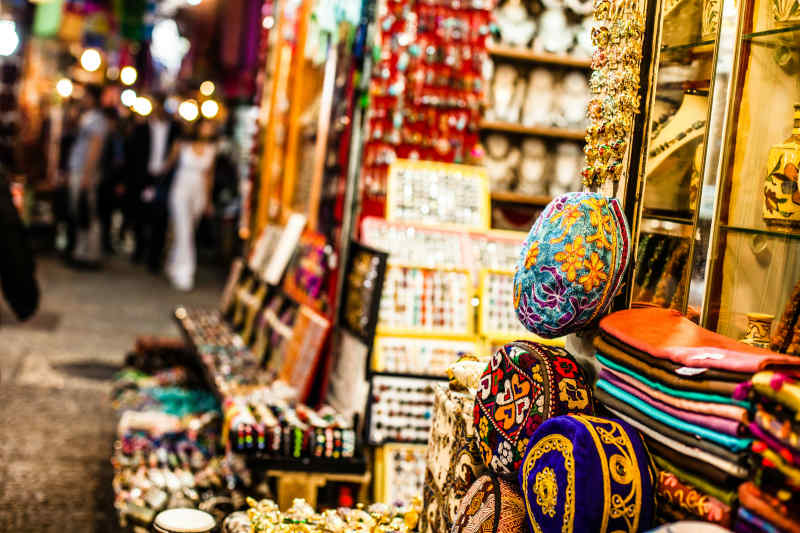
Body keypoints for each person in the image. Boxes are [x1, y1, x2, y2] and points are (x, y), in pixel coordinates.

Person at [126, 94, 180, 272]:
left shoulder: (174, 129)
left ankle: (154, 257)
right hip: (144, 177)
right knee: (141, 215)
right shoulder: (141, 129)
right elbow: (133, 156)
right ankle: (139, 249)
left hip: (163, 179)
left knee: (160, 218)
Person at [164, 119, 218, 291]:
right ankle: (184, 272)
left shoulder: (212, 149)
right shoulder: (182, 145)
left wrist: (208, 201)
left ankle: (173, 263)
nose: (208, 130)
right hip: (181, 188)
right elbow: (167, 165)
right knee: (183, 230)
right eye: (205, 126)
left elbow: (210, 176)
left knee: (188, 231)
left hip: (198, 191)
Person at [66, 84, 108, 267]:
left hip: (85, 172)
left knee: (87, 212)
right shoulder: (86, 117)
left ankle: (90, 254)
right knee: (80, 212)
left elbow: (95, 149)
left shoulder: (97, 120)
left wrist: (87, 175)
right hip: (79, 169)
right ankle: (81, 251)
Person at [97, 106, 126, 254]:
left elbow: (119, 160)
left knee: (106, 212)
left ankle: (105, 241)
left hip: (109, 179)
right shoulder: (105, 135)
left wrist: (119, 181)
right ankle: (102, 241)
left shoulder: (115, 137)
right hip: (103, 178)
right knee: (101, 212)